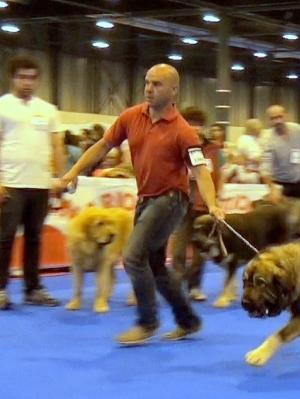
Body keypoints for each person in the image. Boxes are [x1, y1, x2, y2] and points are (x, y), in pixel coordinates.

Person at [60, 64, 225, 345]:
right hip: (145, 200)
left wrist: (213, 203)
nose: (149, 89)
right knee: (157, 266)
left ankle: (147, 322)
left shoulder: (184, 131)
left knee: (133, 255)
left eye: (157, 84)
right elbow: (102, 146)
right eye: (147, 83)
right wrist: (74, 171)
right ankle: (188, 320)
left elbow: (200, 172)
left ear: (173, 90)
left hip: (171, 199)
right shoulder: (130, 117)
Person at [0, 56, 66, 310]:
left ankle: (33, 288)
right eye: (22, 77)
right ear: (12, 78)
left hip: (40, 185)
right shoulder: (3, 106)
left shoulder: (48, 110)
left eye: (32, 77)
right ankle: (2, 289)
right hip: (11, 183)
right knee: (4, 238)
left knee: (34, 238)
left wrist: (61, 179)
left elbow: (56, 145)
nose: (27, 82)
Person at [170, 106, 223, 303]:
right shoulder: (177, 145)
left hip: (204, 206)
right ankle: (175, 286)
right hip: (181, 205)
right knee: (179, 248)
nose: (194, 128)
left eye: (198, 125)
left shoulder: (214, 149)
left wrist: (216, 199)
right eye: (190, 124)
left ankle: (194, 287)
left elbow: (220, 173)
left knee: (201, 251)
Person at [260, 105, 300, 200]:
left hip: (298, 182)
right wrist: (272, 188)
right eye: (273, 118)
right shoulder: (267, 138)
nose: (278, 121)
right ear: (269, 121)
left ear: (286, 116)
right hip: (279, 184)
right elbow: (265, 167)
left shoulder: (298, 130)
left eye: (280, 117)